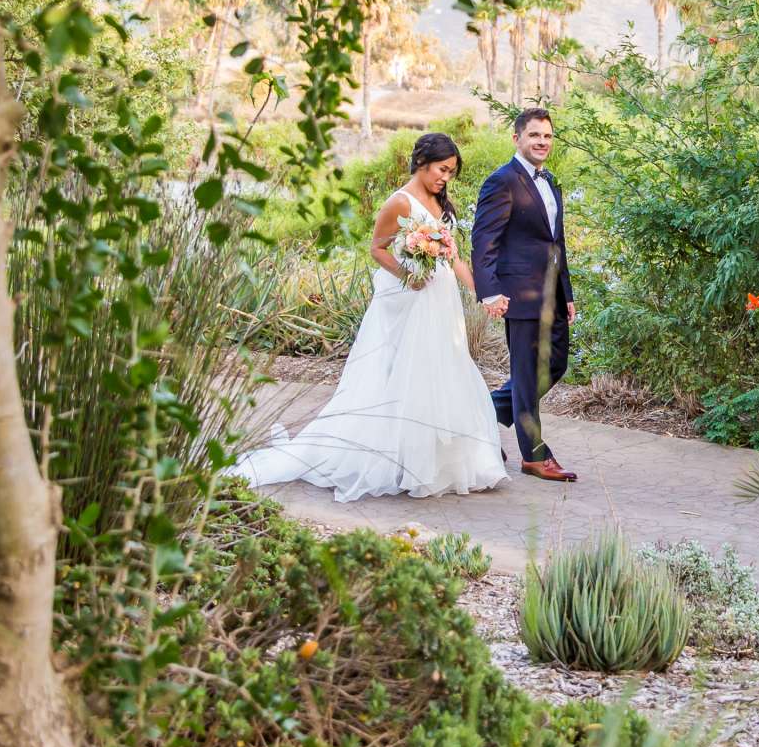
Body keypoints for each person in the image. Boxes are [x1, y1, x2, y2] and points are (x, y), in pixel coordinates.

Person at [233, 133, 506, 502]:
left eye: (451, 172)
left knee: (446, 370)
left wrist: (482, 292)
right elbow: (377, 249)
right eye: (442, 169)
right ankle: (404, 462)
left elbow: (454, 258)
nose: (446, 178)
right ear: (422, 162)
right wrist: (408, 274)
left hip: (443, 302)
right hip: (414, 302)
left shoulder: (440, 202)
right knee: (412, 375)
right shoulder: (399, 202)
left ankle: (445, 463)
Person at [471, 105, 577, 481]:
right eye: (534, 135)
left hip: (551, 294)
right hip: (519, 294)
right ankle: (533, 455)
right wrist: (489, 292)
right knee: (528, 374)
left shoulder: (551, 182)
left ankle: (478, 416)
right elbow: (484, 239)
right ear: (517, 138)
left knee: (556, 364)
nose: (542, 142)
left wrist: (567, 291)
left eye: (547, 136)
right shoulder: (502, 181)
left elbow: (555, 242)